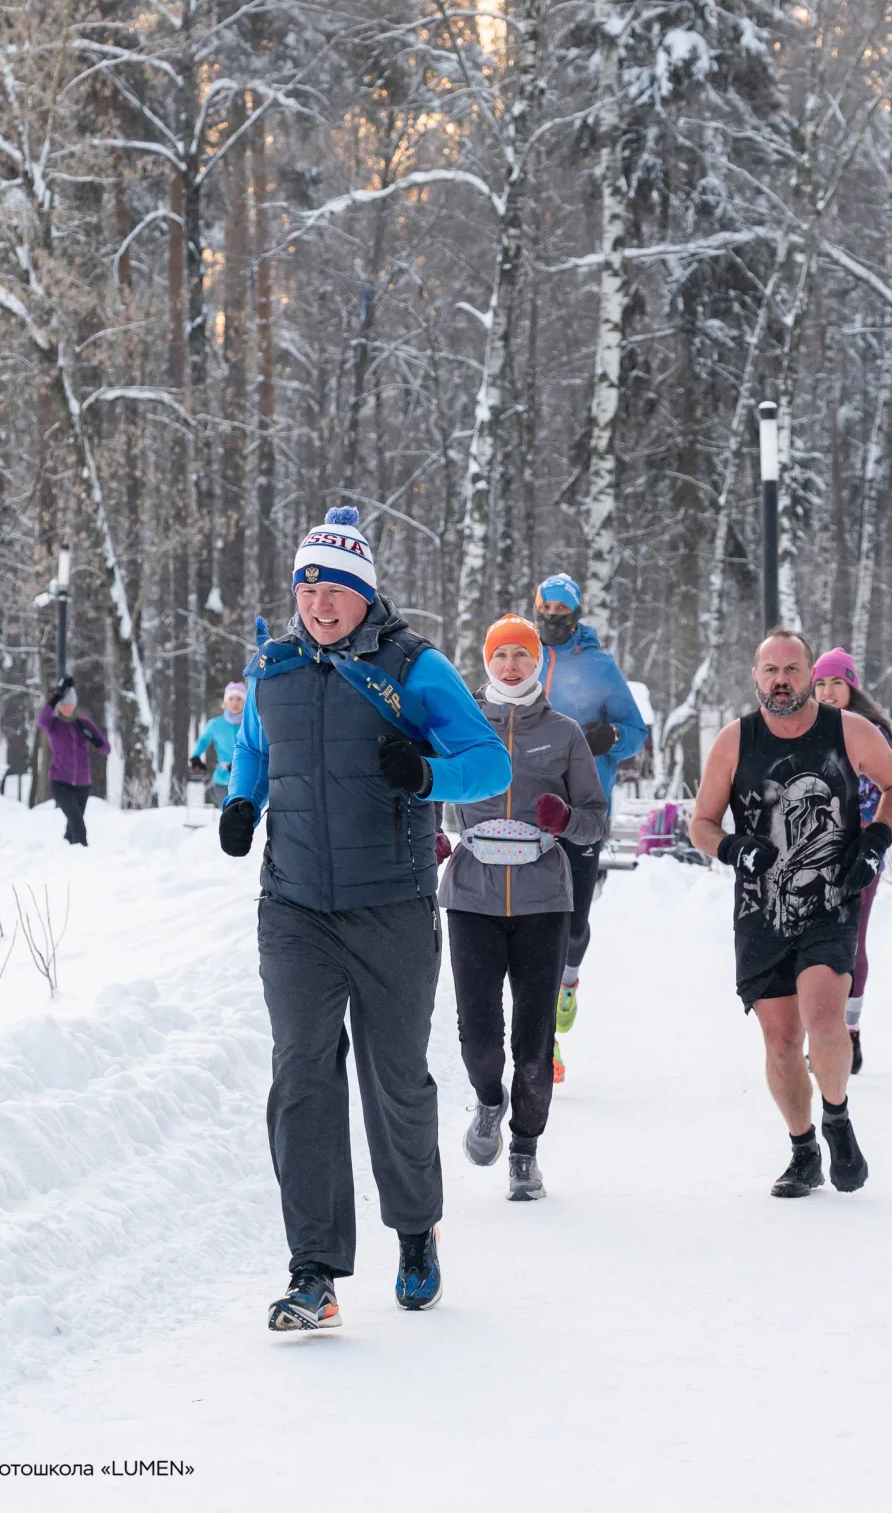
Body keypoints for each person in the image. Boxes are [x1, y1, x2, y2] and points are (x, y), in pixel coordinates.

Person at [220, 507, 512, 1334]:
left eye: (335, 587)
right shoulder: (273, 667)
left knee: (396, 1080)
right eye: (306, 585)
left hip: (392, 903)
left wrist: (424, 772)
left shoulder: (413, 668)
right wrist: (242, 802)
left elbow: (484, 760)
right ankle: (312, 1272)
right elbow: (253, 747)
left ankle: (416, 1235)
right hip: (295, 907)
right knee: (301, 1078)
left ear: (363, 592)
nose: (318, 600)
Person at [690, 629, 892, 1199]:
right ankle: (803, 1149)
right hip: (759, 910)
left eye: (793, 669)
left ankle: (836, 1117)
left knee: (823, 1020)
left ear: (812, 675)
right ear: (755, 677)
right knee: (782, 1042)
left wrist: (875, 839)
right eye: (771, 671)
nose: (782, 680)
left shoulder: (849, 731)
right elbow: (702, 824)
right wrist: (734, 848)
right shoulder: (735, 741)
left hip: (831, 900)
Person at [440, 614, 607, 1201]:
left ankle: (526, 1152)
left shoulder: (563, 733)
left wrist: (567, 822)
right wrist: (431, 836)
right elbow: (425, 787)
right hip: (471, 898)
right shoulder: (459, 724)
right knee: (480, 1041)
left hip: (542, 900)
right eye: (501, 655)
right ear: (487, 662)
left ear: (538, 662)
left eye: (523, 655)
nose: (512, 665)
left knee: (533, 1048)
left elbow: (594, 819)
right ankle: (489, 1101)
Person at [532, 572, 648, 1077]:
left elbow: (636, 732)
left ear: (576, 619)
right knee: (536, 927)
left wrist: (608, 737)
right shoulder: (521, 656)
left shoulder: (599, 667)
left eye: (561, 618)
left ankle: (570, 979)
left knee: (573, 924)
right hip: (528, 809)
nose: (552, 625)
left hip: (582, 809)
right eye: (544, 616)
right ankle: (544, 1044)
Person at [813, 648, 892, 1075]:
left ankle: (849, 1031)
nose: (828, 693)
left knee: (850, 940)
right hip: (813, 857)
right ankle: (822, 1032)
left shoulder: (870, 733)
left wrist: (866, 845)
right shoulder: (805, 728)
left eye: (837, 684)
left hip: (861, 854)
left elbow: (889, 792)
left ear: (852, 687)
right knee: (815, 945)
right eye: (821, 684)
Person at [37, 675, 111, 847]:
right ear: (59, 706)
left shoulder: (83, 724)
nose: (67, 708)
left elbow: (106, 748)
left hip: (83, 783)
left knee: (72, 826)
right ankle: (84, 849)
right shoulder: (53, 724)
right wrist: (56, 696)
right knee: (78, 823)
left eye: (70, 705)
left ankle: (66, 852)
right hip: (60, 781)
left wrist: (96, 741)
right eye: (64, 705)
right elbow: (42, 719)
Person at [190, 681, 246, 806]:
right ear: (225, 702)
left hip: (246, 779)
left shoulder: (250, 724)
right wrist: (195, 757)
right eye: (231, 699)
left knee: (244, 816)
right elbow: (203, 741)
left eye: (239, 699)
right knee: (229, 814)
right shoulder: (215, 724)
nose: (235, 703)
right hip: (222, 780)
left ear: (244, 702)